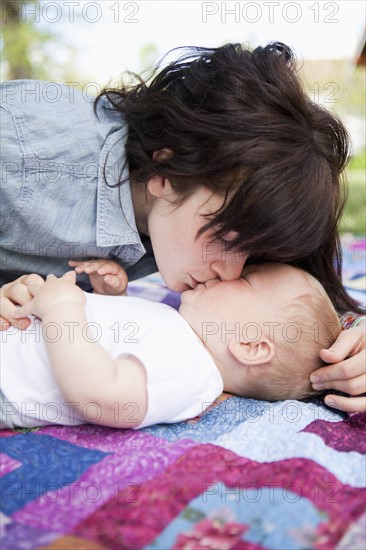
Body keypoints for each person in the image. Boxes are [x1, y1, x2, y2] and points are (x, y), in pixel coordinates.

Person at [0, 41, 365, 412]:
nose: (230, 272)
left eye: (253, 257)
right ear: (166, 172)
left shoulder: (186, 210)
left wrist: (352, 335)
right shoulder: (23, 157)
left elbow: (288, 309)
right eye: (226, 238)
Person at [1, 262, 360, 430]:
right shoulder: (183, 337)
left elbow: (104, 396)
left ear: (249, 344)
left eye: (245, 279)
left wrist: (62, 308)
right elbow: (111, 352)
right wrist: (113, 300)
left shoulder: (191, 368)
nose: (224, 274)